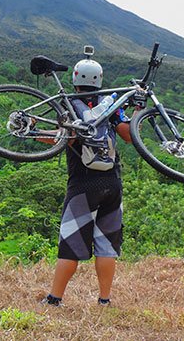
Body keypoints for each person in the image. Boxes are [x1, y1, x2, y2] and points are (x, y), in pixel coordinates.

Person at [42, 53, 125, 307]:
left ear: (75, 79)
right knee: (107, 245)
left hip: (82, 185)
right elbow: (130, 135)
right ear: (100, 80)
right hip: (112, 184)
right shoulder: (111, 105)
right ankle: (104, 300)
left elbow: (62, 139)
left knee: (71, 244)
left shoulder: (69, 104)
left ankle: (54, 300)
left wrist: (34, 131)